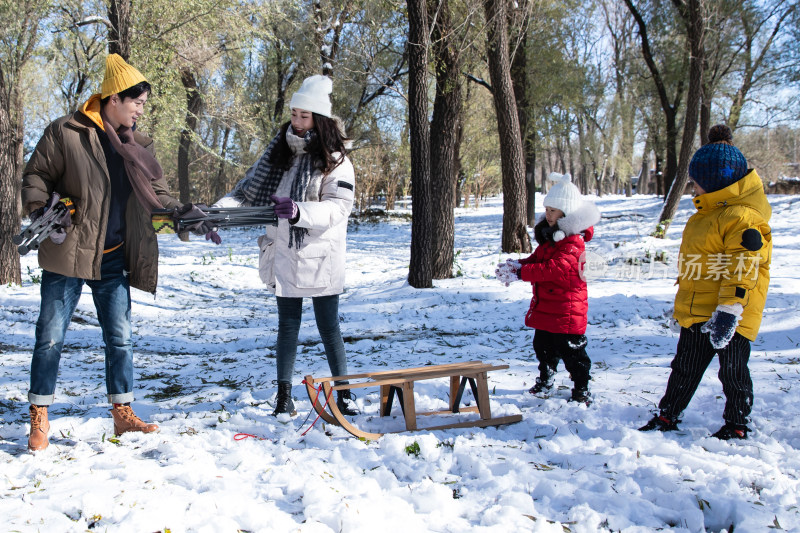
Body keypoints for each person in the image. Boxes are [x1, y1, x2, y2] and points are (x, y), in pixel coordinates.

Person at [21, 54, 216, 452]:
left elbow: (156, 195)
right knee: (51, 337)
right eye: (137, 102)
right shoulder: (66, 132)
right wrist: (43, 209)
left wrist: (182, 214)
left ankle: (122, 414)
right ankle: (39, 415)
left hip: (113, 256)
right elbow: (36, 174)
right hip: (69, 254)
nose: (141, 110)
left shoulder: (136, 145)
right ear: (114, 99)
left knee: (121, 338)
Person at [215, 75, 357, 417]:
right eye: (293, 114)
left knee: (328, 327)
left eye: (303, 116)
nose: (296, 122)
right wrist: (217, 216)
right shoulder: (277, 155)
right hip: (284, 254)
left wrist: (298, 211)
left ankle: (344, 393)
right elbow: (244, 193)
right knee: (287, 327)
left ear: (319, 120)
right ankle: (284, 396)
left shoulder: (336, 160)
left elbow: (338, 207)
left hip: (320, 255)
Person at [639, 125, 772, 440]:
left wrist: (729, 310)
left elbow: (743, 265)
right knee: (684, 367)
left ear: (713, 182)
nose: (692, 187)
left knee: (733, 372)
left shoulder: (741, 218)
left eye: (695, 181)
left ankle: (737, 424)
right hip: (699, 311)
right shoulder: (704, 216)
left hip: (732, 315)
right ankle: (668, 415)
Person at [496, 173, 600, 404]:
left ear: (567, 213)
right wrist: (515, 265)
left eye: (554, 210)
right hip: (547, 309)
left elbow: (554, 269)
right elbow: (537, 259)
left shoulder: (574, 242)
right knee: (542, 348)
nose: (548, 214)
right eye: (548, 209)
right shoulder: (551, 239)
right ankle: (546, 378)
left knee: (573, 353)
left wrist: (522, 273)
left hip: (567, 310)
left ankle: (581, 387)